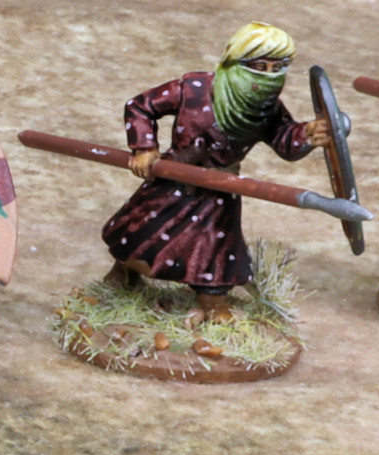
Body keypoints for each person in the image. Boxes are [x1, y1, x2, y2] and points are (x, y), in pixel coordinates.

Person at [98, 22, 332, 320]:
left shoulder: (268, 109)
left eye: (278, 68)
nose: (269, 75)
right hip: (173, 178)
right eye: (259, 66)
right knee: (141, 231)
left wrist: (308, 134)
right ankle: (123, 277)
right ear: (234, 62)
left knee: (213, 247)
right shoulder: (193, 89)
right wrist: (144, 148)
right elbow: (140, 106)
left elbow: (284, 141)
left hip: (219, 192)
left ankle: (212, 303)